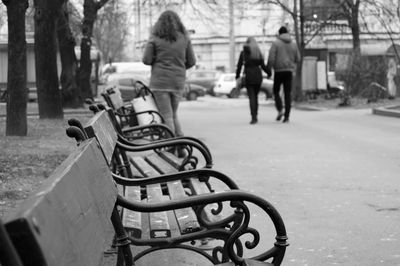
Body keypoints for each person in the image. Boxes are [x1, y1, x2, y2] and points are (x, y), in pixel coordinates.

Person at [142, 10, 196, 140]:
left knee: (166, 115)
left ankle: (171, 146)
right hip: (177, 82)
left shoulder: (155, 38)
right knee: (173, 114)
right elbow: (192, 61)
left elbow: (146, 60)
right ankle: (181, 144)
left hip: (160, 82)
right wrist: (180, 68)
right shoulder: (184, 38)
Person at [267, 26, 300, 123]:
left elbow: (271, 58)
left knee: (276, 91)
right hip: (289, 71)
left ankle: (280, 109)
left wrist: (269, 68)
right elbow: (298, 58)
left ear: (279, 33)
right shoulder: (293, 44)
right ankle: (287, 116)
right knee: (287, 93)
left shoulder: (276, 43)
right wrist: (291, 63)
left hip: (278, 71)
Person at [236, 37, 271, 124]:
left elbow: (239, 66)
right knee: (255, 96)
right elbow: (263, 65)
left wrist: (237, 76)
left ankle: (253, 117)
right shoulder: (258, 52)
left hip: (249, 76)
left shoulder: (243, 53)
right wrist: (269, 73)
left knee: (251, 97)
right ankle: (256, 115)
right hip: (258, 76)